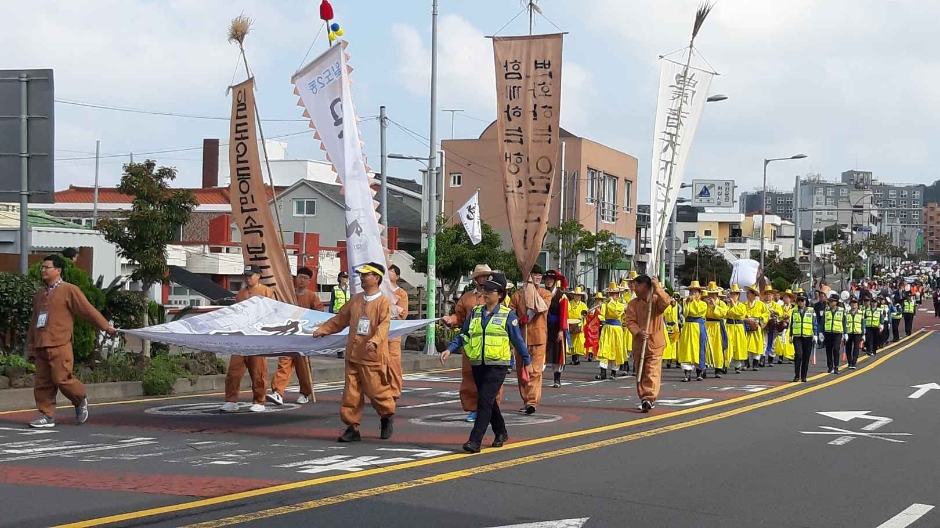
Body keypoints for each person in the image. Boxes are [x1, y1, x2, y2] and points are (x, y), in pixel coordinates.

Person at [441, 273, 533, 453]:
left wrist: (526, 361)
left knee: (484, 399)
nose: (486, 292)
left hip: (498, 365)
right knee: (488, 401)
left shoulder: (508, 315)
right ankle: (501, 432)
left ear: (500, 294)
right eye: (485, 289)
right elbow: (465, 334)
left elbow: (518, 340)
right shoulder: (475, 312)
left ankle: (475, 440)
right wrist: (449, 348)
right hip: (478, 363)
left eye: (491, 290)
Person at [26, 255, 117, 428]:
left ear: (58, 270)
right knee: (42, 382)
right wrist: (31, 343)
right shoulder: (39, 294)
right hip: (41, 344)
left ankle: (80, 399)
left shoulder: (69, 290)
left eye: (47, 267)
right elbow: (34, 320)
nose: (42, 270)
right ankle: (47, 415)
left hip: (60, 343)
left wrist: (105, 326)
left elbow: (87, 310)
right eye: (42, 268)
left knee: (62, 379)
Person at [313, 262, 395, 442]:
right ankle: (352, 427)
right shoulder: (356, 299)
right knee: (351, 393)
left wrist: (374, 341)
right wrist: (324, 329)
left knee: (376, 392)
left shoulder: (383, 302)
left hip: (372, 357)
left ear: (376, 278)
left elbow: (384, 326)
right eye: (362, 275)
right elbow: (340, 319)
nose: (363, 277)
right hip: (353, 354)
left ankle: (386, 415)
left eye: (366, 275)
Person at [443, 264, 497, 422]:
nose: (485, 278)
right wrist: (450, 320)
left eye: (487, 275)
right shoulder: (467, 298)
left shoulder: (496, 296)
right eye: (482, 276)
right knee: (469, 377)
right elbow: (459, 317)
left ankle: (490, 409)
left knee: (491, 379)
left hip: (491, 346)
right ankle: (474, 409)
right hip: (470, 345)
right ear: (476, 279)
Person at [222, 266, 275, 413]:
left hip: (258, 337)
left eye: (251, 275)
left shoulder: (266, 292)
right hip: (241, 337)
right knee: (234, 371)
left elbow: (272, 313)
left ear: (258, 275)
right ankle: (231, 400)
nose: (248, 278)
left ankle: (259, 400)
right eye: (246, 275)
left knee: (258, 370)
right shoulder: (240, 294)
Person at [267, 267, 320, 406]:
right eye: (300, 277)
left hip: (304, 338)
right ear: (296, 278)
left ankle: (305, 392)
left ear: (309, 281)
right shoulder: (287, 295)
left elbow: (319, 313)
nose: (302, 280)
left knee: (303, 368)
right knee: (284, 363)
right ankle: (277, 392)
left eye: (305, 278)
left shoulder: (312, 296)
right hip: (288, 336)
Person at [510, 265, 552, 414]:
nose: (538, 278)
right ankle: (526, 399)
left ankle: (532, 402)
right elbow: (511, 315)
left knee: (535, 371)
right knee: (522, 371)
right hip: (521, 338)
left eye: (539, 276)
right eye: (535, 275)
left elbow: (542, 307)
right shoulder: (516, 296)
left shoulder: (545, 294)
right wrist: (520, 319)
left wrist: (531, 300)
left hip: (538, 337)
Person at [624, 275, 670, 412]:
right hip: (639, 344)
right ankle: (643, 397)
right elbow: (629, 321)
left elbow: (666, 302)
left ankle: (649, 397)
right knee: (641, 371)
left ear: (645, 286)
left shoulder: (656, 301)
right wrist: (638, 331)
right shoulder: (633, 304)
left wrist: (657, 288)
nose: (635, 288)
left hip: (655, 343)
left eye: (637, 285)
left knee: (652, 370)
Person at [386, 264, 410, 401]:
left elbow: (403, 313)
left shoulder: (401, 293)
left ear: (397, 276)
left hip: (394, 332)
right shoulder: (381, 291)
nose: (389, 273)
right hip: (379, 331)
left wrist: (389, 311)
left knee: (394, 363)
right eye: (388, 270)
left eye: (392, 271)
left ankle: (394, 392)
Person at [543, 270, 569, 388]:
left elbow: (564, 314)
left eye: (551, 279)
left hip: (557, 325)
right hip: (544, 326)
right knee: (542, 350)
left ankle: (557, 378)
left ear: (554, 281)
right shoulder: (542, 293)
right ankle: (538, 376)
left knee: (557, 352)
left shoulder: (561, 295)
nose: (548, 281)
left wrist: (561, 330)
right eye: (547, 279)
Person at [678, 281, 708, 382]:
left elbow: (697, 311)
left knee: (699, 348)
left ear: (700, 294)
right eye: (691, 292)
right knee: (687, 348)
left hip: (698, 327)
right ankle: (687, 373)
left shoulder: (703, 304)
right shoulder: (686, 302)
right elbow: (685, 313)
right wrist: (687, 302)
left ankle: (699, 371)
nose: (692, 294)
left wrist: (693, 301)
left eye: (695, 292)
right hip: (688, 326)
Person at [595, 282, 626, 380]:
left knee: (616, 348)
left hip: (617, 329)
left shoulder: (621, 305)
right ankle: (603, 373)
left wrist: (611, 302)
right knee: (604, 349)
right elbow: (602, 315)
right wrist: (601, 319)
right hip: (607, 328)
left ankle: (613, 372)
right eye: (611, 294)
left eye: (615, 294)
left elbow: (617, 313)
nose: (613, 296)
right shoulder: (605, 304)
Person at [790, 294, 818, 383]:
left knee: (806, 357)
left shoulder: (811, 311)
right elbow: (791, 324)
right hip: (797, 336)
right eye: (799, 300)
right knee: (798, 355)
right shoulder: (794, 311)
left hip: (808, 336)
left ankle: (804, 376)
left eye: (802, 300)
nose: (801, 302)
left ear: (806, 301)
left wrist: (816, 334)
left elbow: (815, 323)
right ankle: (797, 375)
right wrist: (791, 335)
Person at [703, 283, 727, 378]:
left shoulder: (721, 303)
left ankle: (718, 368)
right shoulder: (705, 303)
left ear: (717, 294)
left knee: (718, 347)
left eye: (714, 294)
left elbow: (723, 313)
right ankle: (704, 367)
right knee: (706, 346)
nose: (711, 296)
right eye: (710, 294)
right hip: (707, 325)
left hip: (717, 325)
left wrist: (714, 307)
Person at [744, 285, 770, 371]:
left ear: (753, 294)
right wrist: (746, 319)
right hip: (747, 327)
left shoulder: (760, 304)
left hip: (756, 327)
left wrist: (760, 319)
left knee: (757, 344)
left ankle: (755, 364)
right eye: (747, 293)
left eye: (749, 293)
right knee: (745, 344)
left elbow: (766, 313)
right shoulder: (744, 304)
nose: (747, 294)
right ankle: (746, 363)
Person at [725, 285, 749, 374]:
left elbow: (740, 313)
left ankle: (737, 366)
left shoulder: (742, 306)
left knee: (738, 346)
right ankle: (726, 364)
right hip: (729, 326)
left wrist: (734, 305)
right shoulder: (726, 305)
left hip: (738, 326)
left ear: (738, 296)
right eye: (731, 294)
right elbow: (725, 313)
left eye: (734, 295)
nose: (732, 296)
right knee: (728, 345)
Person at [822, 292, 846, 374]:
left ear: (836, 302)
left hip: (837, 332)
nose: (830, 302)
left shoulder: (842, 311)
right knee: (828, 350)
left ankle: (836, 366)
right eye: (830, 301)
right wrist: (821, 332)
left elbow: (844, 322)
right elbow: (822, 322)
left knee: (836, 349)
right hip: (828, 332)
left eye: (832, 301)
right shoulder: (826, 310)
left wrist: (845, 333)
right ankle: (830, 367)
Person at [567, 286, 589, 365]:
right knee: (572, 342)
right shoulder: (569, 304)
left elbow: (586, 313)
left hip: (579, 324)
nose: (578, 297)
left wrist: (583, 316)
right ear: (573, 296)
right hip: (571, 324)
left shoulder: (583, 305)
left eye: (579, 295)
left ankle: (577, 358)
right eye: (576, 295)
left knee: (579, 342)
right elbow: (567, 313)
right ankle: (573, 358)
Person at [763, 285, 782, 367]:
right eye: (766, 294)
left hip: (773, 326)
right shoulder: (761, 304)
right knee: (764, 342)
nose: (768, 296)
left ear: (773, 296)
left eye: (770, 294)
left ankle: (770, 359)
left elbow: (781, 313)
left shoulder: (776, 305)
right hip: (764, 326)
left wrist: (775, 311)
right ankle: (762, 359)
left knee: (773, 343)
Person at [774, 290, 795, 364]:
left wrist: (788, 317)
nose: (785, 299)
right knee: (780, 341)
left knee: (789, 342)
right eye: (784, 297)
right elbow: (779, 315)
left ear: (790, 299)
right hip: (782, 326)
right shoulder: (781, 307)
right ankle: (780, 357)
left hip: (789, 326)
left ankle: (790, 357)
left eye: (787, 297)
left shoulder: (793, 308)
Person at [845, 297, 865, 370]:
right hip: (849, 332)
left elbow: (863, 324)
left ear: (857, 305)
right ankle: (849, 362)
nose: (854, 304)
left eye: (855, 303)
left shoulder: (861, 313)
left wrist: (863, 334)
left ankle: (854, 362)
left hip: (857, 332)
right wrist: (844, 333)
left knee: (856, 348)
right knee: (848, 348)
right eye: (852, 303)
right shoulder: (847, 313)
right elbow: (844, 323)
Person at [583, 293, 604, 363]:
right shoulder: (593, 308)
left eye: (600, 300)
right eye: (597, 300)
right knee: (592, 341)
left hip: (603, 325)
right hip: (594, 327)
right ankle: (591, 354)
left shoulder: (604, 307)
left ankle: (600, 354)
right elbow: (589, 317)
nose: (599, 302)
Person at [662, 293, 680, 369]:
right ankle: (669, 359)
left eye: (677, 297)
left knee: (676, 344)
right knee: (669, 343)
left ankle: (676, 360)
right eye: (674, 297)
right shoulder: (667, 306)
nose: (675, 299)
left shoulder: (679, 306)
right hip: (668, 326)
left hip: (676, 326)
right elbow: (663, 314)